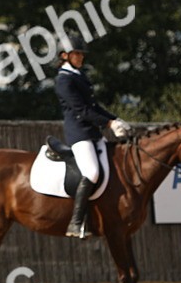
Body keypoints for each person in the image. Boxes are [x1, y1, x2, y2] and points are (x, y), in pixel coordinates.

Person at [54, 35, 132, 238]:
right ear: (65, 55)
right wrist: (109, 124)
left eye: (82, 54)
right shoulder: (64, 80)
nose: (81, 57)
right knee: (92, 172)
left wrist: (115, 119)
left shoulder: (79, 75)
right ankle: (76, 222)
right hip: (79, 133)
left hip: (92, 133)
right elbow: (81, 110)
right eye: (77, 54)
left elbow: (94, 107)